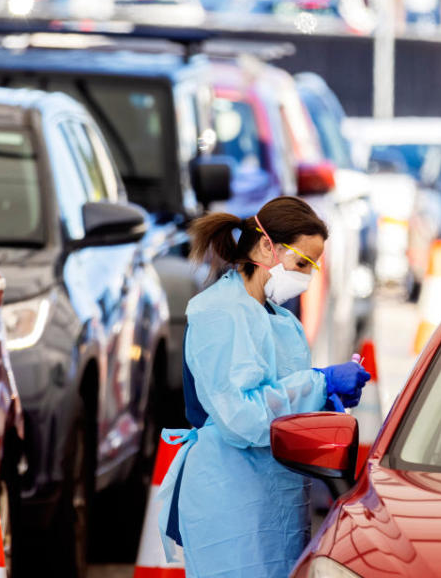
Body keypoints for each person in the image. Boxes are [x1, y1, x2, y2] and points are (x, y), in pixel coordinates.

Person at [156, 196, 370, 578]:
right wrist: (319, 383)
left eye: (313, 266)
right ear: (266, 247)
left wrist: (324, 406)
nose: (307, 275)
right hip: (231, 501)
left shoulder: (279, 319)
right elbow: (241, 417)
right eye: (301, 263)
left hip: (273, 499)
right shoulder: (220, 312)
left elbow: (282, 397)